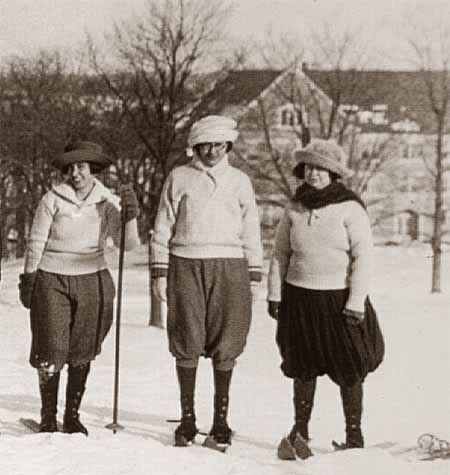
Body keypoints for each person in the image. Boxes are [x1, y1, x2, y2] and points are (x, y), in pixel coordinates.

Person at [267, 139, 384, 459]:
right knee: (302, 365)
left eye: (320, 168)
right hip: (299, 299)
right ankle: (300, 432)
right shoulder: (295, 206)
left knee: (349, 366)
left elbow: (364, 258)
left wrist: (356, 302)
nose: (313, 173)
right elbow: (280, 253)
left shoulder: (349, 207)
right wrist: (275, 294)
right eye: (308, 167)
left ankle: (354, 437)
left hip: (339, 302)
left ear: (333, 173)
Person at [151, 115, 263, 447]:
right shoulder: (179, 177)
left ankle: (221, 421)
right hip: (186, 262)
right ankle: (187, 421)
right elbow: (162, 226)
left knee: (226, 340)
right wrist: (159, 271)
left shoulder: (240, 180)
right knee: (187, 337)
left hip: (230, 265)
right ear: (195, 146)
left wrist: (254, 272)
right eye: (205, 145)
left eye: (218, 144)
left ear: (228, 145)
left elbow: (251, 228)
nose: (212, 151)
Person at [18, 141, 140, 435]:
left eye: (81, 167)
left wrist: (131, 215)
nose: (75, 173)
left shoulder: (108, 201)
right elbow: (36, 241)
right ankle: (49, 416)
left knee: (83, 346)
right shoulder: (52, 198)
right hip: (52, 278)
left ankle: (72, 416)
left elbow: (129, 245)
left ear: (93, 169)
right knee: (52, 345)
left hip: (92, 278)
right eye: (70, 168)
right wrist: (29, 278)